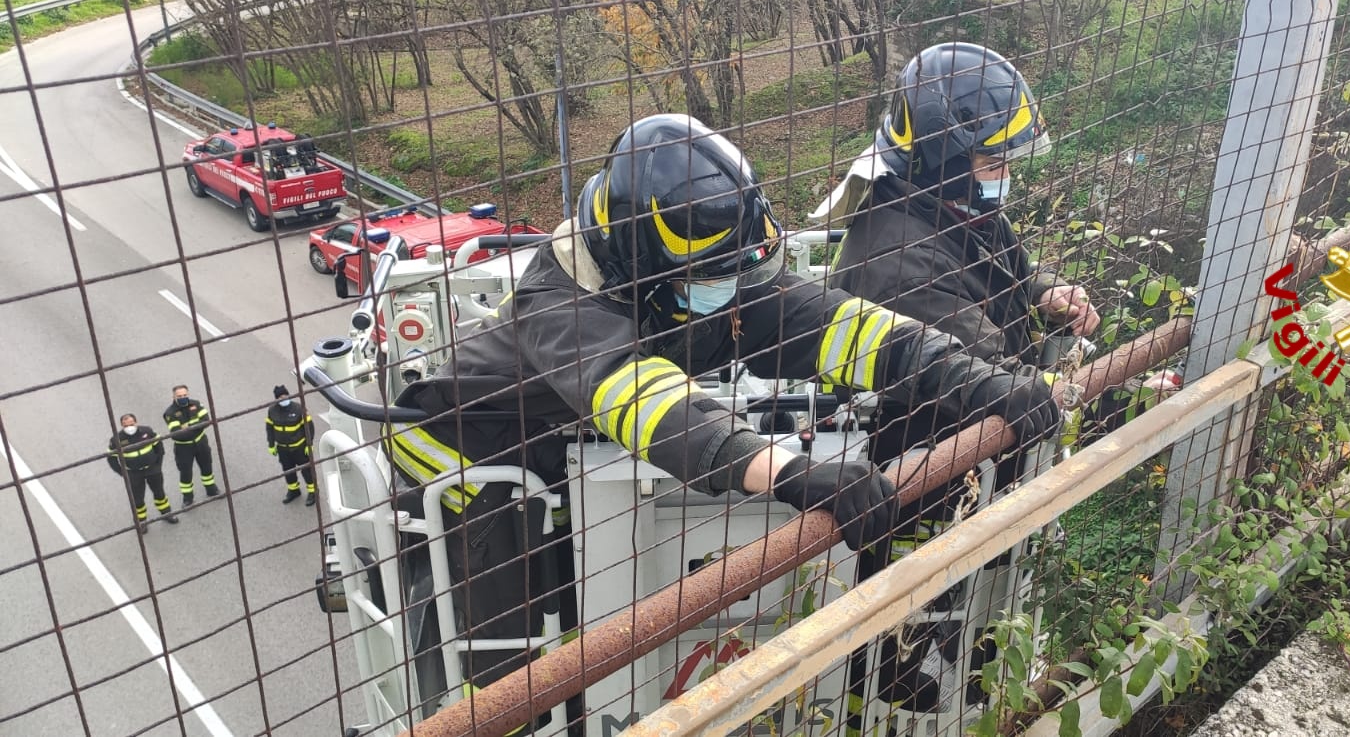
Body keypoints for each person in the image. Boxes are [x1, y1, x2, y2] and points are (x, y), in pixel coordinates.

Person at [381, 114, 1060, 724]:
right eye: (710, 274)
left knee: (580, 635)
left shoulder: (695, 279)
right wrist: (791, 472)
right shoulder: (564, 303)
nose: (728, 288)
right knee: (519, 674)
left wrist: (984, 384)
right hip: (473, 466)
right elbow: (646, 401)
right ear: (640, 264)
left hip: (553, 452)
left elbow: (849, 327)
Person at [813, 42, 1102, 714]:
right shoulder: (894, 255)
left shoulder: (953, 205)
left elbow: (1012, 271)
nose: (1003, 174)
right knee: (913, 647)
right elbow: (985, 366)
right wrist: (1101, 391)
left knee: (971, 617)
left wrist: (1051, 292)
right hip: (924, 468)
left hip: (975, 453)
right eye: (992, 159)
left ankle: (966, 692)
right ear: (944, 155)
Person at [108, 413, 179, 533]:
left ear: (136, 422)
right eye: (126, 425)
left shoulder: (147, 431)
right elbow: (111, 458)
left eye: (131, 423)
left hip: (152, 469)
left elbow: (158, 446)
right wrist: (123, 473)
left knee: (159, 493)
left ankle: (166, 514)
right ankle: (142, 522)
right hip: (134, 474)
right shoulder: (116, 439)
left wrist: (157, 464)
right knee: (138, 499)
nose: (129, 426)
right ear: (121, 425)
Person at [163, 384, 220, 505]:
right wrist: (196, 427)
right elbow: (176, 434)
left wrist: (187, 427)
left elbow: (207, 421)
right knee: (186, 473)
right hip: (183, 448)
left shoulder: (196, 404)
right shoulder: (170, 413)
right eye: (179, 396)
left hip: (201, 443)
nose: (183, 397)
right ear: (173, 397)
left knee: (207, 467)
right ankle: (188, 499)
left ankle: (211, 490)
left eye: (185, 395)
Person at [266, 385, 317, 506]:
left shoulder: (298, 409)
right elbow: (270, 428)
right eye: (280, 397)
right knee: (288, 471)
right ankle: (294, 490)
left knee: (307, 471)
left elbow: (309, 427)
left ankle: (313, 492)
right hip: (283, 449)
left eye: (285, 396)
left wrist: (309, 444)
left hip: (299, 447)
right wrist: (271, 445)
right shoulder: (272, 410)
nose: (283, 398)